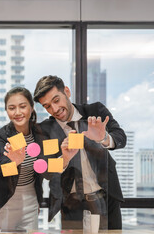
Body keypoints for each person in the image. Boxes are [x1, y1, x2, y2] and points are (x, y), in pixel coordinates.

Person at [33, 75, 126, 230]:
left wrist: (103, 138)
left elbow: (120, 137)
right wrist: (64, 159)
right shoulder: (44, 130)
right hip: (71, 205)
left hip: (106, 199)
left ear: (67, 92)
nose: (54, 109)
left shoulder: (95, 111)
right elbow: (47, 171)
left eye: (56, 100)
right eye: (47, 106)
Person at [0, 87, 47, 230]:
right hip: (4, 201)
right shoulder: (0, 135)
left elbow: (44, 167)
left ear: (31, 108)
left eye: (23, 106)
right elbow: (2, 168)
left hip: (30, 199)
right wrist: (15, 162)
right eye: (12, 108)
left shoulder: (40, 134)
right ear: (7, 111)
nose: (18, 112)